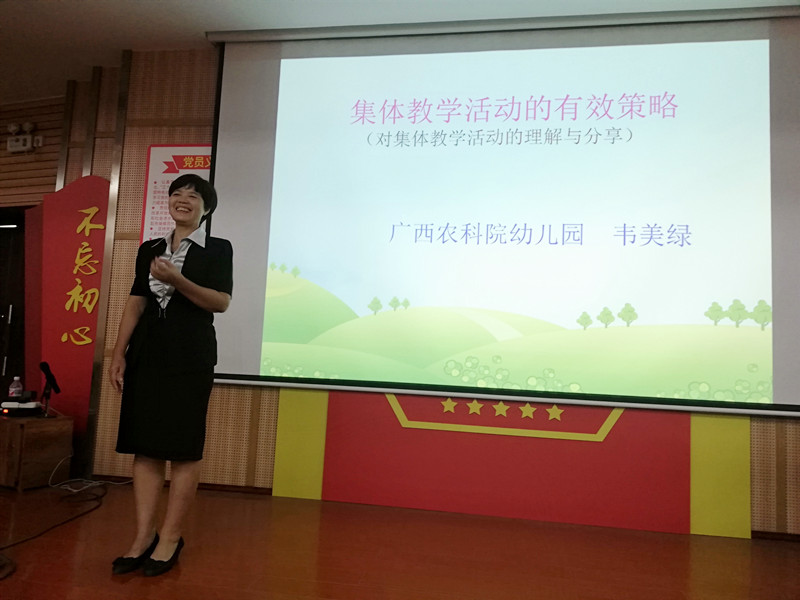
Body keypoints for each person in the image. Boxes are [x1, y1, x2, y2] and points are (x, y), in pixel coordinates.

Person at [108, 174, 233, 577]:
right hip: (147, 354)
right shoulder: (149, 249)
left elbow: (220, 302)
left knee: (183, 448)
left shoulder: (217, 248)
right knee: (145, 448)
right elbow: (136, 302)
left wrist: (177, 280)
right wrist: (119, 352)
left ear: (206, 208)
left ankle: (170, 538)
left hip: (189, 356)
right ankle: (143, 536)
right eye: (177, 193)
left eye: (193, 196)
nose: (183, 199)